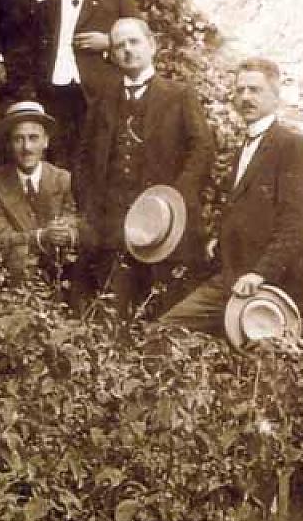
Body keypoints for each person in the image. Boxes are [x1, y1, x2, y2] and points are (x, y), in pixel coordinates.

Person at [162, 57, 303, 333]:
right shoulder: (245, 147)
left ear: (275, 96)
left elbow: (299, 223)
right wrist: (219, 239)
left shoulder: (290, 146)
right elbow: (246, 208)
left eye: (255, 90)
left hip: (271, 285)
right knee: (167, 329)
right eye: (239, 90)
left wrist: (261, 273)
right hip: (232, 277)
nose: (245, 97)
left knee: (266, 365)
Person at [74, 18, 213, 316]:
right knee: (115, 314)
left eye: (134, 42)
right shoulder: (103, 99)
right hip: (113, 228)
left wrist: (176, 200)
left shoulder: (179, 94)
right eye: (118, 46)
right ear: (111, 55)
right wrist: (92, 208)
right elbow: (84, 157)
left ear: (152, 45)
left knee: (164, 314)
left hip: (165, 228)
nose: (127, 50)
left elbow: (202, 149)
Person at [36, 0, 139, 166]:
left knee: (99, 160)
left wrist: (110, 42)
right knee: (59, 162)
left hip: (99, 94)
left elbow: (141, 39)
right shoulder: (45, 7)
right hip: (55, 95)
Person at [0, 101, 79, 284]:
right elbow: (1, 239)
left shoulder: (64, 180)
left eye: (33, 138)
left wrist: (67, 232)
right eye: (18, 139)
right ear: (9, 143)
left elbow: (77, 222)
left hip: (63, 277)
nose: (27, 148)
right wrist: (41, 236)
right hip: (15, 281)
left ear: (45, 141)